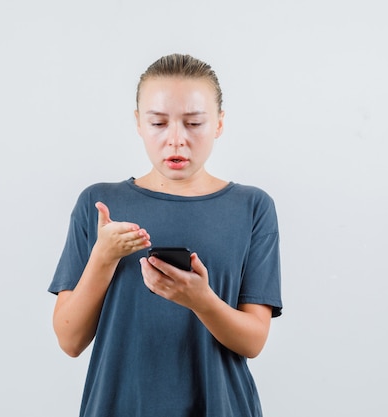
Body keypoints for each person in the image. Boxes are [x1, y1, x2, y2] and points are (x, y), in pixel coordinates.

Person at [48, 53, 282, 417]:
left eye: (193, 123)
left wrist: (201, 299)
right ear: (139, 123)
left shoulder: (252, 207)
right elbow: (69, 339)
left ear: (219, 124)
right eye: (158, 123)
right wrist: (103, 257)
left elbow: (253, 341)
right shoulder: (98, 204)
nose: (176, 140)